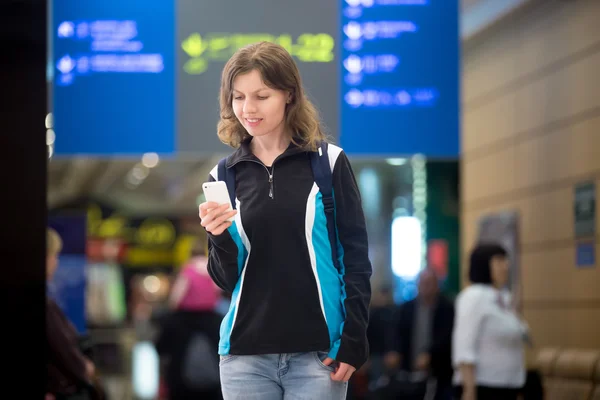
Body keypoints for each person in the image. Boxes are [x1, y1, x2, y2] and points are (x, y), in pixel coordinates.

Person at [198, 41, 372, 400]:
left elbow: (354, 259)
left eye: (261, 96)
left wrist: (354, 340)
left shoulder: (328, 163)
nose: (248, 108)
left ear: (289, 94)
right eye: (238, 97)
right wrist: (218, 237)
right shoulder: (224, 176)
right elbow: (226, 279)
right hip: (244, 356)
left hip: (318, 355)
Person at [452, 243, 528, 400]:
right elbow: (464, 347)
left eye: (506, 261)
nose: (505, 266)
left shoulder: (503, 297)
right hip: (483, 386)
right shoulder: (473, 297)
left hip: (508, 385)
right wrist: (469, 390)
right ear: (483, 265)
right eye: (499, 261)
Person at [155, 254, 223, 400]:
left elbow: (160, 348)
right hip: (213, 387)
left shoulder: (173, 321)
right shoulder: (219, 320)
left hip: (179, 387)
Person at [46, 228, 101, 400]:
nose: (56, 262)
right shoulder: (47, 307)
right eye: (54, 256)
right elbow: (63, 350)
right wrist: (84, 368)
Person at [384, 268, 455, 400]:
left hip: (439, 373)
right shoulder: (407, 308)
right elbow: (396, 333)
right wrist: (394, 351)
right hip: (408, 371)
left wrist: (430, 355)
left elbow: (447, 336)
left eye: (429, 283)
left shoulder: (447, 308)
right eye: (423, 283)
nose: (426, 287)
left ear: (436, 285)